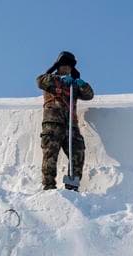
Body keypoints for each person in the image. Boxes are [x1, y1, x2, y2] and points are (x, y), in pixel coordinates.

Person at [36, 51, 95, 191]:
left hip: (71, 126)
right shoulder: (50, 79)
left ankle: (72, 185)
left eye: (69, 66)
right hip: (53, 123)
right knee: (50, 154)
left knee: (78, 152)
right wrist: (60, 80)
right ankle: (49, 186)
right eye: (64, 65)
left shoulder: (73, 85)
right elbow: (40, 81)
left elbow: (89, 95)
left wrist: (81, 84)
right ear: (59, 66)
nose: (67, 69)